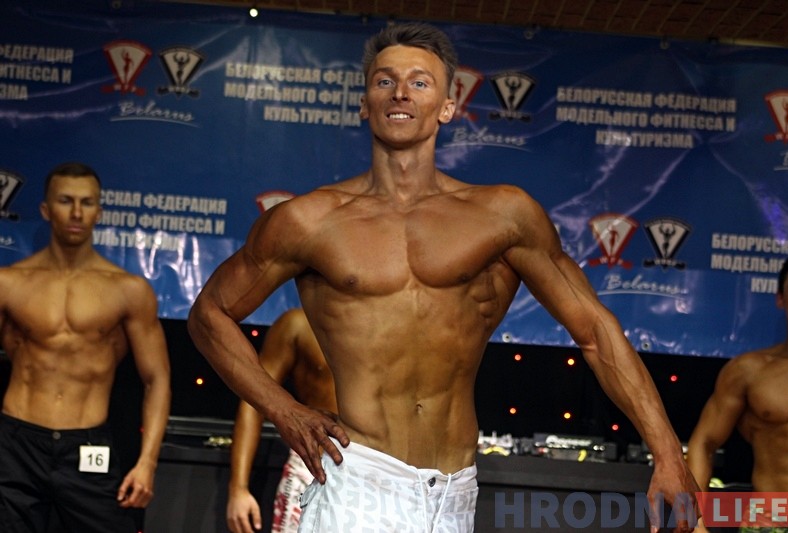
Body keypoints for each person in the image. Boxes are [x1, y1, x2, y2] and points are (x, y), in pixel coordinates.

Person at [188, 22, 699, 532]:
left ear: (448, 106)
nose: (400, 92)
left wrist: (666, 452)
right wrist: (284, 409)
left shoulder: (503, 216)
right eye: (384, 81)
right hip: (357, 482)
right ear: (365, 103)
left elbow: (594, 330)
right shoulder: (309, 221)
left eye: (419, 81)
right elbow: (210, 314)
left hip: (454, 495)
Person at [0, 162, 172, 533]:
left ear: (99, 211)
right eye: (66, 201)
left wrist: (147, 463)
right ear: (46, 209)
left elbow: (157, 379)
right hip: (15, 443)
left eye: (87, 202)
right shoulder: (9, 284)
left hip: (88, 445)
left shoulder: (128, 290)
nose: (77, 213)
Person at [687, 252, 788, 533]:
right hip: (771, 522)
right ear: (780, 298)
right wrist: (694, 522)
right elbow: (704, 442)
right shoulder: (749, 371)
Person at [227, 307, 336, 533]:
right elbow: (253, 401)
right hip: (313, 468)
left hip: (379, 471)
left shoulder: (391, 323)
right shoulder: (300, 324)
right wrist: (238, 488)